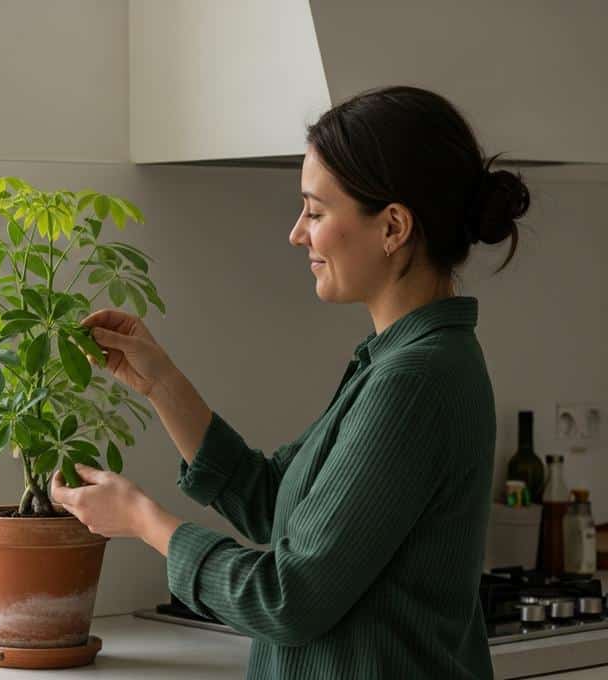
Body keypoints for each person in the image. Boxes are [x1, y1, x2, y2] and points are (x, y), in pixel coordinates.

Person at [52, 86, 529, 679]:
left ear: (394, 227)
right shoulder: (396, 362)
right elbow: (274, 501)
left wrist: (143, 521)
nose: (297, 233)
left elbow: (288, 598)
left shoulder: (416, 380)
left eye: (316, 211)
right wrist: (161, 384)